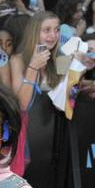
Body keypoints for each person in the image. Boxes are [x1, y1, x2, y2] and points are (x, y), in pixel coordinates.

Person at [8, 10, 60, 177]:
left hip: (54, 135)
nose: (53, 35)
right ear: (34, 32)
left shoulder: (60, 59)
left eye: (57, 29)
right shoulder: (17, 60)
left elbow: (68, 92)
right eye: (47, 30)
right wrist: (33, 67)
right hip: (29, 136)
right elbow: (21, 104)